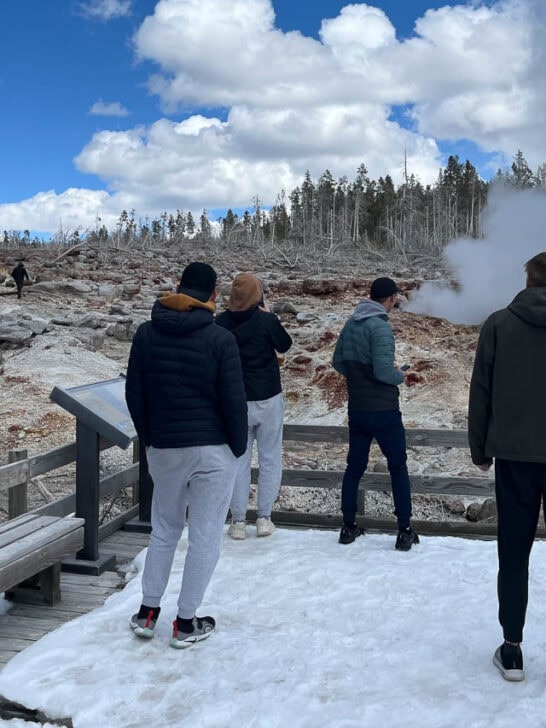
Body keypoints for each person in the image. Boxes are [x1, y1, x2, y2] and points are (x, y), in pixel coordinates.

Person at [125, 262, 247, 649]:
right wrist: (237, 447)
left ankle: (147, 613)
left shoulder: (146, 334)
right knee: (205, 535)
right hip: (212, 450)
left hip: (164, 447)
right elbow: (234, 401)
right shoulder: (220, 338)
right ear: (213, 295)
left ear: (177, 288)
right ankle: (186, 622)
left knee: (164, 529)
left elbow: (134, 394)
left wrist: (151, 438)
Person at [468, 251, 546, 682]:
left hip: (514, 457)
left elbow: (481, 390)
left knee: (513, 554)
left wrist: (480, 449)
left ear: (528, 280)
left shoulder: (499, 323)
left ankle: (512, 649)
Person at [332, 276, 418, 550]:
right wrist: (399, 376)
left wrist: (359, 378)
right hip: (384, 411)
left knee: (354, 468)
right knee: (398, 467)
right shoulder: (380, 328)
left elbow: (338, 362)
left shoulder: (351, 323)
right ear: (391, 298)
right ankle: (404, 530)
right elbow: (383, 371)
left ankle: (348, 527)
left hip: (358, 409)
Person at [216, 273, 292, 539]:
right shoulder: (266, 320)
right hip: (268, 396)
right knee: (270, 457)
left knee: (239, 461)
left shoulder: (221, 323)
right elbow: (285, 345)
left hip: (236, 400)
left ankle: (237, 521)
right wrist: (270, 315)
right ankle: (264, 518)